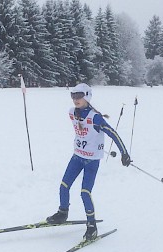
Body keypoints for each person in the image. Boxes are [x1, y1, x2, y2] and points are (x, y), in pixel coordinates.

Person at [46, 83, 131, 241]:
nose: (75, 99)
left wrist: (124, 153)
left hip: (91, 161)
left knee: (85, 192)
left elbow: (113, 133)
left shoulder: (95, 117)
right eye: (73, 96)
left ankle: (91, 226)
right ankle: (62, 213)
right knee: (64, 186)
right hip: (77, 157)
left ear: (87, 96)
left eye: (79, 96)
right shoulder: (72, 113)